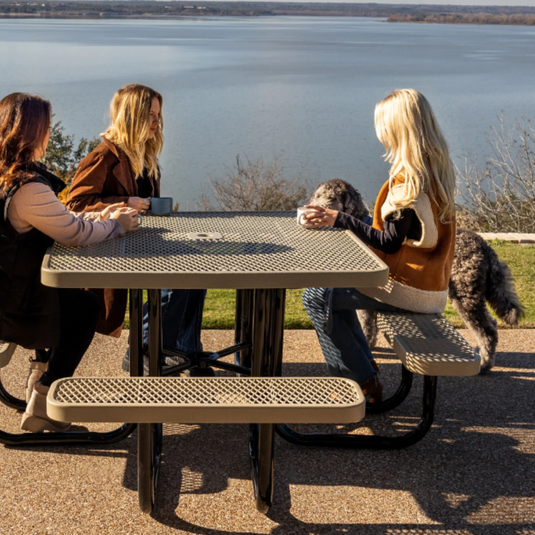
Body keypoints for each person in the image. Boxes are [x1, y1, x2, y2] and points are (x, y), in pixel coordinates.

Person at [302, 89, 457, 402]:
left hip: (408, 288)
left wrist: (338, 219)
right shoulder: (436, 171)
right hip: (430, 286)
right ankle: (363, 370)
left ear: (397, 129)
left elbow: (388, 241)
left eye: (383, 126)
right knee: (329, 293)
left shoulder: (407, 182)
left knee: (316, 296)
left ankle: (358, 381)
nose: (380, 133)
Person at [0, 92, 139, 432]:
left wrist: (102, 215)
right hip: (14, 304)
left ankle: (38, 385)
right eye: (46, 127)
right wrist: (117, 225)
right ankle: (45, 403)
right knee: (85, 307)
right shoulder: (26, 186)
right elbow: (73, 234)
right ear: (34, 132)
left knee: (72, 299)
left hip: (6, 290)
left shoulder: (7, 176)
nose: (49, 133)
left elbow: (56, 218)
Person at [66, 84, 206, 369]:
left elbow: (144, 202)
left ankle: (183, 350)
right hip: (112, 250)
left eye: (158, 115)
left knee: (199, 272)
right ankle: (144, 349)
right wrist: (124, 201)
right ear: (131, 116)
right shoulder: (103, 157)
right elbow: (75, 205)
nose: (157, 122)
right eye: (150, 115)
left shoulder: (144, 154)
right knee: (179, 281)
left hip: (143, 242)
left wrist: (147, 205)